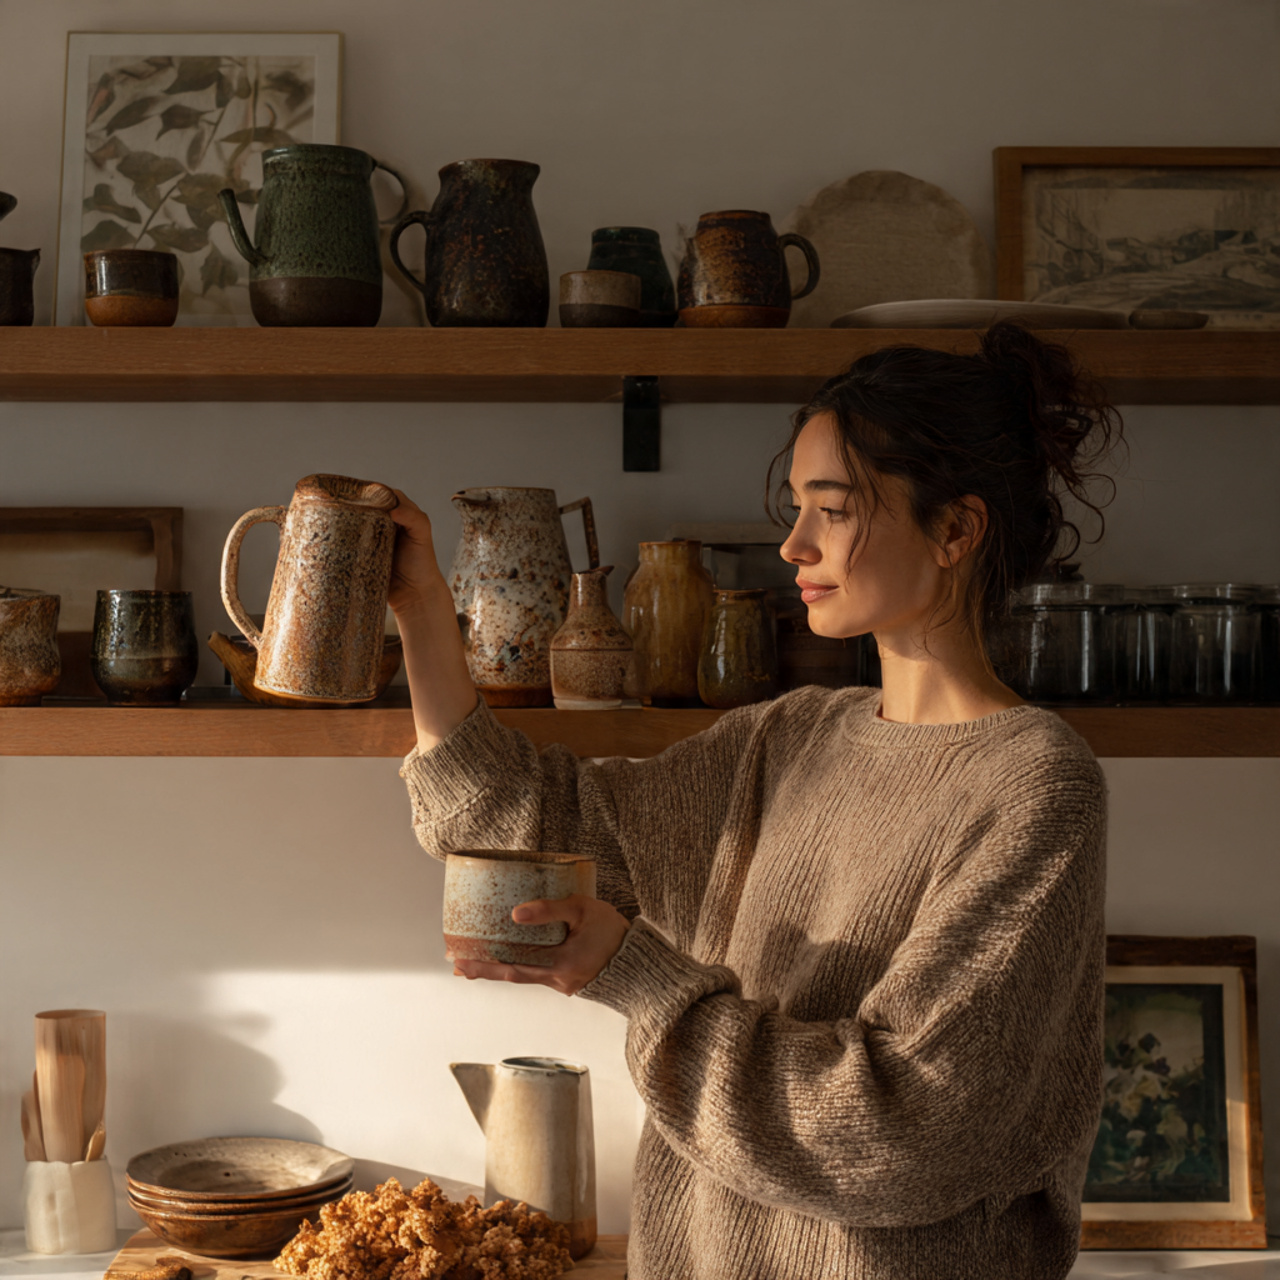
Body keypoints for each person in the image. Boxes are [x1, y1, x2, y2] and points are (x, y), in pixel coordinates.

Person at [389, 322, 1119, 1280]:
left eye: (834, 510)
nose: (793, 543)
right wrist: (421, 611)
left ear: (955, 529)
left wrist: (634, 974)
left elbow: (900, 1131)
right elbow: (527, 822)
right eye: (798, 507)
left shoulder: (1035, 785)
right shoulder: (788, 738)